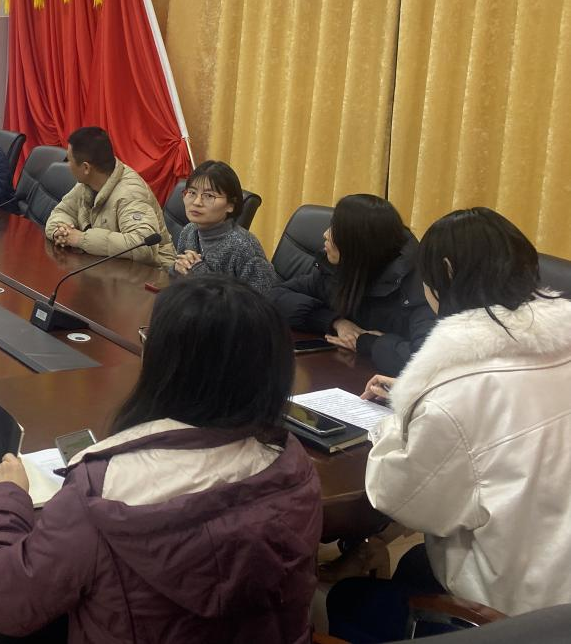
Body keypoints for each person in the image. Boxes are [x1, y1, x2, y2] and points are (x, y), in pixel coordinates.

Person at [0, 276, 321, 644]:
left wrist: (5, 497)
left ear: (167, 365)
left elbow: (1, 601)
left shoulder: (100, 492)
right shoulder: (295, 468)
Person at [327, 209, 571, 640]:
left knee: (343, 599)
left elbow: (399, 498)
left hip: (520, 614)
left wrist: (400, 416)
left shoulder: (452, 391)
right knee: (415, 564)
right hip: (554, 569)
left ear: (446, 273)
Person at [268, 194, 434, 375]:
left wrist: (369, 342)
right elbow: (275, 296)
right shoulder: (339, 269)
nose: (325, 234)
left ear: (358, 244)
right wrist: (335, 322)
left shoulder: (419, 286)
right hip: (345, 370)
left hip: (389, 383)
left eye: (335, 230)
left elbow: (426, 361)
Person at [44, 126, 175, 267]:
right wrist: (60, 232)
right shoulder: (87, 183)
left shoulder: (131, 193)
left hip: (153, 273)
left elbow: (143, 246)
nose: (67, 165)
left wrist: (81, 239)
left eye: (69, 160)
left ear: (86, 168)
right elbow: (62, 212)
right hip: (109, 268)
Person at [170, 160, 278, 293]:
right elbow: (179, 282)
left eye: (209, 196)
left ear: (231, 205)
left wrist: (201, 274)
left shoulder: (244, 247)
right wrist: (177, 269)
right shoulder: (189, 231)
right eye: (192, 193)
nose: (197, 202)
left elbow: (259, 299)